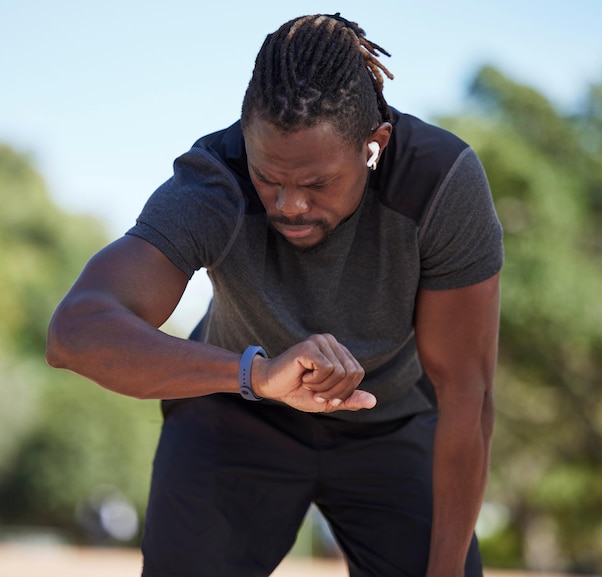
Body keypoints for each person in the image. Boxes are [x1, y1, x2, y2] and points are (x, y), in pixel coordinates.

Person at [46, 13, 503, 577]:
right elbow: (74, 332)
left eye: (316, 183)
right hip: (236, 418)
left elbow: (466, 393)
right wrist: (257, 376)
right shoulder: (216, 181)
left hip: (391, 424)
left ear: (373, 146)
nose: (289, 205)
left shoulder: (438, 183)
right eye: (270, 177)